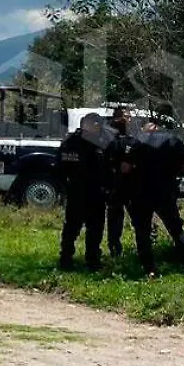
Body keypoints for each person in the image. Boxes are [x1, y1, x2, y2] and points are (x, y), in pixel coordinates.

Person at [128, 121, 184, 273]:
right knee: (176, 228)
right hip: (166, 191)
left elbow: (127, 166)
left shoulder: (139, 142)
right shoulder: (174, 141)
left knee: (143, 230)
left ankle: (149, 268)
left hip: (142, 192)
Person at [57, 113, 110, 271]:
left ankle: (93, 260)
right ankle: (66, 259)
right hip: (77, 192)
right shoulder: (72, 142)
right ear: (86, 124)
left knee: (96, 229)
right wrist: (67, 185)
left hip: (97, 193)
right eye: (95, 124)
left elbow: (109, 166)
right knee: (72, 228)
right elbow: (61, 166)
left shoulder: (103, 142)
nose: (98, 127)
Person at [103, 106, 134, 259]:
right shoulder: (108, 133)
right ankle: (115, 249)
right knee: (115, 218)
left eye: (128, 117)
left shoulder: (133, 133)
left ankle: (144, 246)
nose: (127, 119)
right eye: (124, 116)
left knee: (139, 217)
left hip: (132, 183)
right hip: (114, 182)